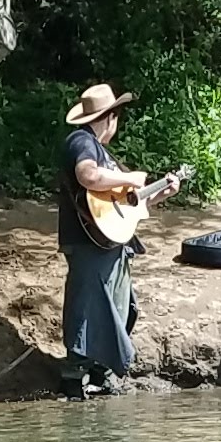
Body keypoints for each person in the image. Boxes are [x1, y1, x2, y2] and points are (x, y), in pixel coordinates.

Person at [55, 80, 153, 397]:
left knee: (121, 309)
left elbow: (124, 205)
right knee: (87, 307)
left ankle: (98, 375)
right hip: (88, 243)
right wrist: (129, 177)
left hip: (108, 242)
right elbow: (89, 176)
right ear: (110, 117)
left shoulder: (101, 151)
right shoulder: (82, 142)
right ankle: (73, 379)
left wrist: (159, 190)